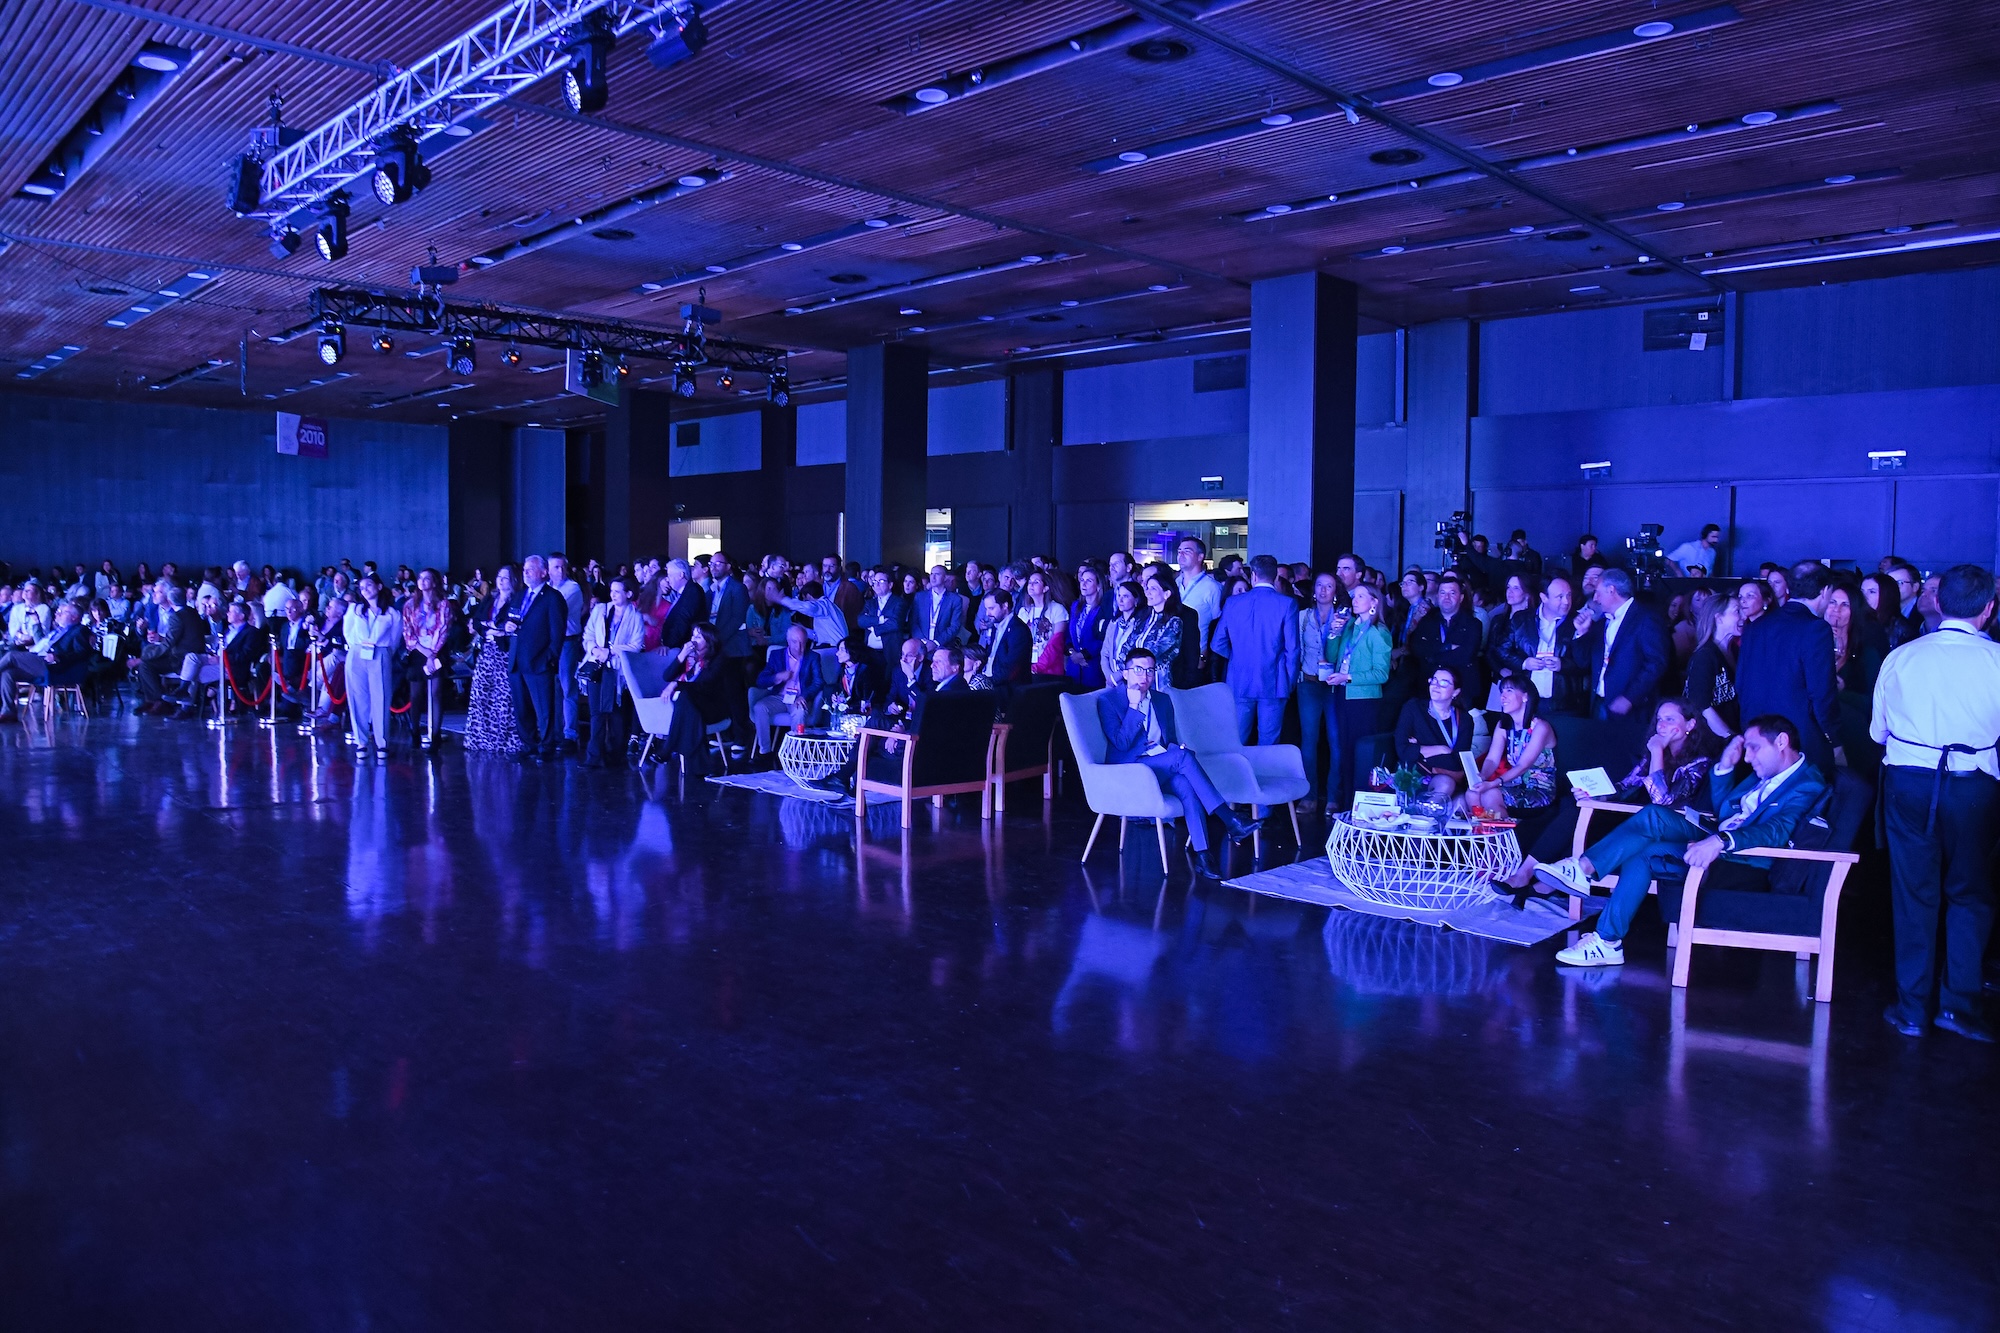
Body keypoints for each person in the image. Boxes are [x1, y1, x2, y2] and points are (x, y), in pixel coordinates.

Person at [1536, 715, 1828, 968]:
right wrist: (1725, 768)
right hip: (1713, 834)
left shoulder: (1806, 783)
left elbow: (1777, 830)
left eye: (1754, 748)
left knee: (1643, 854)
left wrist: (1721, 841)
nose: (1748, 758)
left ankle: (1605, 937)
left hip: (1739, 858)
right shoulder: (1767, 771)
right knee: (1653, 814)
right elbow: (1726, 811)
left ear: (1781, 742)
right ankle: (1584, 873)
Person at [1872, 564, 2000, 1042]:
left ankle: (1911, 1010)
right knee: (1970, 893)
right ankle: (1958, 1007)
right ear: (1989, 609)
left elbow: (1878, 733)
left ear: (1938, 603)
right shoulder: (1997, 659)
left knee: (1913, 895)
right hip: (1973, 787)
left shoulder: (1902, 657)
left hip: (1908, 784)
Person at [1501, 696, 1720, 888]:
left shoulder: (1699, 763)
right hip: (1632, 815)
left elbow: (1661, 802)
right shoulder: (1653, 755)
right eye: (1659, 719)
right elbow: (1625, 785)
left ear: (1690, 724)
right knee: (1577, 808)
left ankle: (1550, 880)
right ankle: (1526, 873)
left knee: (1601, 821)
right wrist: (1597, 795)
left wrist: (1656, 752)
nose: (1661, 725)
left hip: (1662, 827)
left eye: (1670, 719)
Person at [1096, 646, 1262, 878]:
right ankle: (1229, 819)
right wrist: (1134, 706)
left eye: (1150, 670)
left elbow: (1169, 740)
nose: (1145, 676)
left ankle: (1203, 856)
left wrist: (1177, 750)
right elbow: (1121, 744)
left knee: (1185, 784)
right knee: (1182, 759)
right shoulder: (1108, 701)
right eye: (1138, 670)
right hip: (1130, 769)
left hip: (1158, 764)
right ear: (1125, 673)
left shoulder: (1162, 700)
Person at [1735, 563, 1839, 773]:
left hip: (1758, 736)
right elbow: (1821, 693)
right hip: (1800, 741)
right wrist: (1834, 739)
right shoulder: (1816, 628)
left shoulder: (1756, 626)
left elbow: (1741, 684)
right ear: (1825, 590)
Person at [1207, 553, 1299, 745]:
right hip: (1274, 680)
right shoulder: (1287, 603)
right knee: (1269, 742)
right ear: (1275, 576)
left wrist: (1237, 656)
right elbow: (1292, 649)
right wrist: (1289, 681)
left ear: (1253, 576)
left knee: (1237, 740)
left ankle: (1236, 767)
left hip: (1239, 678)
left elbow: (1217, 643)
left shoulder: (1233, 602)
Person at [1466, 675, 1558, 849]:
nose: (1503, 696)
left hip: (1538, 789)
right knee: (1472, 793)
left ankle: (1500, 849)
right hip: (1513, 785)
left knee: (1491, 794)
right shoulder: (1503, 725)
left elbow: (1523, 765)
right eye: (1502, 691)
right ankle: (1484, 841)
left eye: (1509, 690)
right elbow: (1492, 758)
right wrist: (1482, 777)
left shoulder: (1540, 727)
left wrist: (1494, 783)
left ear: (1525, 696)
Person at [1323, 582, 1391, 814]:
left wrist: (1348, 677)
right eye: (1354, 596)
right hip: (1343, 694)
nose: (1355, 600)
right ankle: (1347, 806)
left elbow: (1381, 674)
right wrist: (1334, 633)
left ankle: (1361, 807)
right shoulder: (1351, 625)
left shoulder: (1379, 632)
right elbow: (1332, 655)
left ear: (1374, 602)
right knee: (1345, 751)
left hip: (1364, 700)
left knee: (1361, 753)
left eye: (1361, 596)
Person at [1569, 567, 1670, 721]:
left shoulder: (1646, 619)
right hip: (1598, 703)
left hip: (1633, 709)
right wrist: (1581, 632)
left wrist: (1630, 698)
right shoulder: (1601, 623)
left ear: (1611, 590)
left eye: (1598, 592)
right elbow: (1583, 662)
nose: (1595, 598)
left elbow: (1656, 663)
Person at [1296, 572, 1349, 814]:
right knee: (1308, 741)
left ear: (1336, 591)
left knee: (1336, 741)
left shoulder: (1344, 617)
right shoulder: (1303, 616)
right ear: (1314, 589)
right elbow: (1296, 648)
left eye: (1329, 586)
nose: (1324, 590)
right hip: (1308, 682)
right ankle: (1309, 795)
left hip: (1335, 684)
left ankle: (1333, 796)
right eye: (1319, 585)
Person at [509, 555, 568, 764]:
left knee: (544, 709)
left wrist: (549, 658)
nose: (525, 573)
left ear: (543, 573)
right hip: (517, 660)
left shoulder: (553, 597)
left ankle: (546, 746)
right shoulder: (520, 595)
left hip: (539, 661)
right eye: (524, 569)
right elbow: (512, 618)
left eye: (530, 569)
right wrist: (508, 626)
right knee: (522, 708)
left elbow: (557, 633)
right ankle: (529, 744)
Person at [581, 575, 644, 768]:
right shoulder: (600, 610)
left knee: (616, 714)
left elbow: (636, 645)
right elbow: (588, 634)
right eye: (612, 591)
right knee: (596, 712)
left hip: (618, 670)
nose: (613, 595)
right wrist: (594, 650)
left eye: (617, 591)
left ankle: (615, 755)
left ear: (629, 594)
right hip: (597, 665)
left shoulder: (635, 616)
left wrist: (611, 651)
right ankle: (593, 756)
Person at [1497, 573, 1578, 713]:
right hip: (1525, 699)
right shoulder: (1521, 619)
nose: (1566, 601)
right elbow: (1503, 651)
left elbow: (1586, 662)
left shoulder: (1577, 622)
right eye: (1560, 597)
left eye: (1569, 595)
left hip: (1562, 701)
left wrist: (1562, 664)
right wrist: (1524, 663)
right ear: (1544, 597)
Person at [660, 625, 732, 778]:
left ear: (709, 640)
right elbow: (667, 676)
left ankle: (668, 748)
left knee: (686, 697)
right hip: (693, 708)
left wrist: (676, 684)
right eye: (693, 636)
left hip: (713, 707)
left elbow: (705, 686)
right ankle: (702, 766)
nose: (693, 640)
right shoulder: (690, 658)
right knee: (689, 707)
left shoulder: (720, 659)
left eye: (698, 637)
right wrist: (682, 655)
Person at [0, 602, 91, 723]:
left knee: (11, 656)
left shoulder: (80, 630)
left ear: (74, 617)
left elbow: (83, 653)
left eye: (63, 612)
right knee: (8, 673)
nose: (59, 614)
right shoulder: (58, 630)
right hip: (39, 660)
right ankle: (8, 712)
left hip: (54, 667)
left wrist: (59, 657)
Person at [465, 566, 523, 755]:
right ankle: (481, 738)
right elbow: (476, 622)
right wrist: (491, 628)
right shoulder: (490, 598)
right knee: (481, 694)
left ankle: (503, 740)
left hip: (505, 654)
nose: (501, 580)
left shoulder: (517, 600)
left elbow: (511, 627)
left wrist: (495, 628)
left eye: (506, 577)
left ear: (513, 580)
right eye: (499, 577)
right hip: (487, 652)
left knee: (503, 697)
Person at [343, 577, 401, 761]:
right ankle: (361, 741)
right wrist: (358, 646)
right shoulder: (355, 609)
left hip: (380, 652)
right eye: (361, 587)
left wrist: (383, 651)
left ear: (379, 586)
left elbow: (395, 638)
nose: (365, 589)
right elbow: (347, 632)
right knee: (357, 697)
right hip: (357, 652)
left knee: (381, 697)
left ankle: (382, 742)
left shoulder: (391, 613)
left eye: (368, 585)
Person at [1395, 667, 1475, 799]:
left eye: (1443, 683)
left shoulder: (1465, 719)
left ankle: (1426, 810)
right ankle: (1423, 812)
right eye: (1434, 680)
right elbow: (1403, 751)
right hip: (1415, 774)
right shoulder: (1413, 708)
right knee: (1445, 785)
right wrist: (1442, 749)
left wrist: (1420, 750)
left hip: (1450, 775)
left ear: (1455, 692)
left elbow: (1458, 762)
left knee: (1461, 802)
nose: (1436, 686)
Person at [752, 624, 825, 757]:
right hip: (780, 696)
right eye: (795, 642)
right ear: (788, 641)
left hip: (799, 697)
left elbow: (818, 682)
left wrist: (804, 696)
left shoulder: (813, 657)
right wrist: (777, 677)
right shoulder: (776, 655)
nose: (799, 647)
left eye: (803, 643)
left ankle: (795, 753)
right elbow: (761, 680)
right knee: (759, 707)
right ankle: (765, 752)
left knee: (800, 712)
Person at [399, 568, 453, 747]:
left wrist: (433, 653)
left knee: (436, 693)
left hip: (437, 651)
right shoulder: (409, 605)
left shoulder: (444, 604)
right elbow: (407, 631)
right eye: (420, 578)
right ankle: (414, 732)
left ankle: (435, 735)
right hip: (418, 651)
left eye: (426, 578)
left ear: (434, 582)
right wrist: (424, 651)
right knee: (416, 694)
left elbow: (443, 629)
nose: (422, 581)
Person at [1407, 570, 1483, 698]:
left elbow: (1466, 655)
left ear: (1461, 598)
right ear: (1437, 596)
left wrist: (1432, 657)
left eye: (1452, 593)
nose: (1446, 597)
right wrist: (1447, 647)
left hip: (1462, 690)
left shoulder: (1473, 624)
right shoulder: (1426, 621)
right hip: (1429, 688)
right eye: (1442, 593)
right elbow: (1417, 648)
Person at [1683, 592, 1742, 737]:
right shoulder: (1705, 656)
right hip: (1712, 740)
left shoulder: (1736, 651)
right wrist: (1730, 738)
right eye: (1737, 611)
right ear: (1719, 618)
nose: (1744, 616)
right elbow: (1701, 706)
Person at [546, 553, 586, 751]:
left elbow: (555, 610)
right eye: (556, 567)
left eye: (563, 567)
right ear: (548, 569)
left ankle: (570, 733)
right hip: (548, 642)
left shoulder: (572, 588)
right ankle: (554, 731)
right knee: (551, 688)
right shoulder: (547, 588)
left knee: (567, 686)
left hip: (567, 641)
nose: (560, 571)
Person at [1173, 537, 1223, 672]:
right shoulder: (1173, 585)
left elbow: (1217, 626)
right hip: (1172, 656)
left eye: (1187, 551)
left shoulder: (1212, 588)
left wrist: (1205, 656)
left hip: (1197, 658)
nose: (1181, 555)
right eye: (1179, 551)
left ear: (1200, 557)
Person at [1016, 569, 1069, 677]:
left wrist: (1038, 667)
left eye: (1036, 582)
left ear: (1045, 588)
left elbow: (1056, 642)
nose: (1031, 585)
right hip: (1026, 666)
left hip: (1050, 668)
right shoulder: (1023, 611)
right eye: (1029, 582)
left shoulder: (1057, 609)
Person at [1065, 563, 1108, 689]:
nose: (1083, 584)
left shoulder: (1104, 608)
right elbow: (1069, 635)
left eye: (1089, 581)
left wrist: (1084, 655)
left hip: (1093, 667)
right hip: (1074, 669)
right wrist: (1072, 652)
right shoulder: (1075, 606)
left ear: (1098, 586)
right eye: (1082, 580)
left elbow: (1103, 638)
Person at [978, 589, 1031, 687]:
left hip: (1005, 687)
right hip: (990, 681)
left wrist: (988, 682)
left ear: (1005, 606)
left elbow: (1012, 667)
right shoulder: (996, 626)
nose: (987, 613)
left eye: (991, 608)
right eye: (986, 609)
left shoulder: (1018, 630)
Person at [1099, 579, 1144, 688]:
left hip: (1132, 680)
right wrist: (1109, 676)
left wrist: (1118, 676)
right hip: (1111, 681)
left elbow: (1138, 658)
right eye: (1119, 595)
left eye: (1126, 596)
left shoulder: (1141, 625)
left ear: (1136, 600)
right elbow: (1105, 653)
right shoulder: (1114, 623)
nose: (1120, 599)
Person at [913, 565, 966, 650]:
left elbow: (955, 626)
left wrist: (936, 642)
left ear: (945, 578)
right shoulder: (920, 597)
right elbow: (914, 622)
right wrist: (924, 642)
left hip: (944, 646)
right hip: (922, 645)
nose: (933, 577)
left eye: (937, 574)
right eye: (931, 574)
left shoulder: (955, 599)